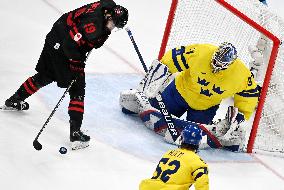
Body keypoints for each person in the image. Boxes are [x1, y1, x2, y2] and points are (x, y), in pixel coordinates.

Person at [3, 0, 128, 150]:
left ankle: (14, 100)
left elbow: (83, 32)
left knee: (46, 75)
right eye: (113, 24)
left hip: (56, 34)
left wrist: (89, 42)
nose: (112, 28)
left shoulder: (108, 5)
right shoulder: (94, 25)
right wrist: (76, 65)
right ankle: (75, 134)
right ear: (108, 16)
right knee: (77, 87)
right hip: (63, 45)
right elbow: (70, 44)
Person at [120, 42, 260, 151]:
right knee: (154, 113)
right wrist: (155, 77)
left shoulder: (241, 74)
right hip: (178, 93)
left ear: (230, 64)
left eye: (220, 64)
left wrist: (241, 115)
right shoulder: (201, 52)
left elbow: (249, 95)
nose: (215, 65)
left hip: (205, 107)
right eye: (215, 61)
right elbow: (173, 57)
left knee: (194, 139)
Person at [139, 124, 209, 190]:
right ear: (198, 142)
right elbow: (202, 183)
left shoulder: (168, 153)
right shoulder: (197, 162)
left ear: (181, 139)